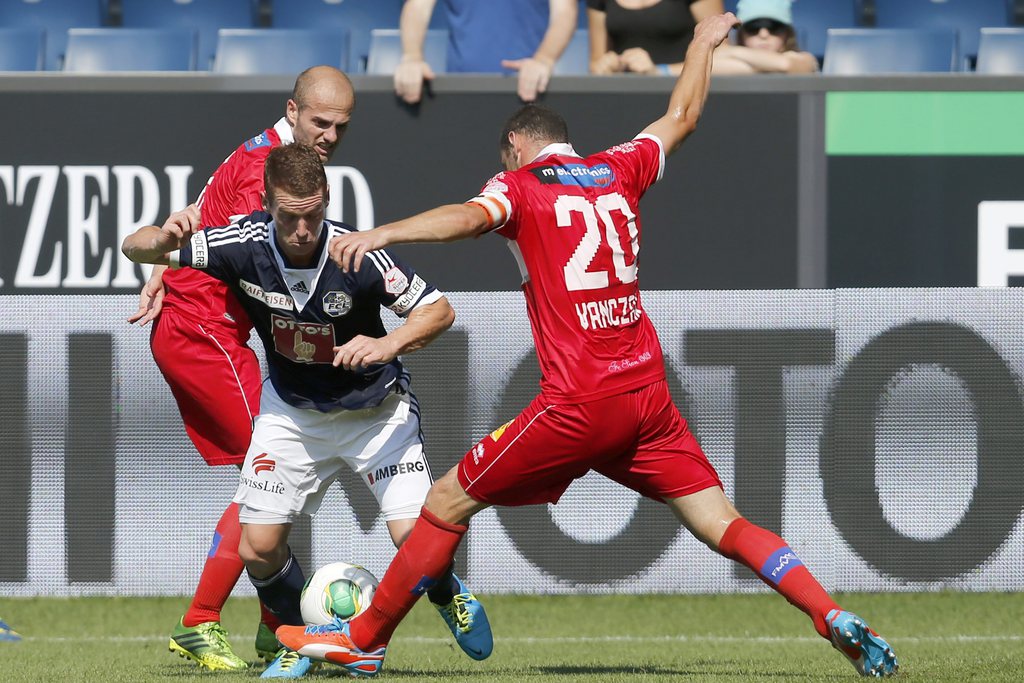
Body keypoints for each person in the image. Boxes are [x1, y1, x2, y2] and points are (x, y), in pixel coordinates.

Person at [275, 12, 899, 680]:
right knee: (723, 520)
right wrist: (699, 47)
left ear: (515, 146)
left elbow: (467, 218)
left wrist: (386, 232)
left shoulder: (518, 187)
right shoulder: (619, 169)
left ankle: (364, 639)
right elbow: (683, 115)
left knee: (446, 501)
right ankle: (827, 611)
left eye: (503, 157)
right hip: (647, 398)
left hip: (578, 403)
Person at [122, 144, 493, 679]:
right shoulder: (239, 243)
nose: (302, 229)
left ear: (326, 202)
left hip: (375, 414)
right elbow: (138, 249)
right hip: (292, 413)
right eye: (290, 216)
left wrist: (388, 345)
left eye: (313, 214)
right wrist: (161, 239)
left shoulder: (358, 253)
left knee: (414, 538)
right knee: (259, 547)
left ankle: (447, 592)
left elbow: (439, 311)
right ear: (267, 205)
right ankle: (299, 638)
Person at [127, 66, 357, 672]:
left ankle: (272, 627)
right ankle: (204, 623)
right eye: (320, 122)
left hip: (212, 331)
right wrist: (164, 269)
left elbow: (199, 209)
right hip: (204, 333)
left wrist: (161, 267)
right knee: (270, 477)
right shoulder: (270, 169)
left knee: (271, 484)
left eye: (341, 126)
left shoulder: (265, 150)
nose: (330, 136)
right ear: (294, 110)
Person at [394, 0, 578, 104]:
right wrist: (412, 58)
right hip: (461, 93)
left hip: (531, 90)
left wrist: (543, 60)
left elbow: (564, 11)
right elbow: (418, 6)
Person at [588, 0, 723, 76]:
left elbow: (722, 56)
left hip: (684, 93)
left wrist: (660, 71)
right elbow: (596, 61)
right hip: (626, 97)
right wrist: (606, 65)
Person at [712, 0, 818, 74]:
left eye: (773, 27)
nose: (763, 35)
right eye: (753, 27)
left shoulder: (803, 58)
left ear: (787, 34)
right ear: (741, 34)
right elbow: (710, 69)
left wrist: (729, 51)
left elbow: (803, 65)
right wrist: (778, 66)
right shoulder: (714, 61)